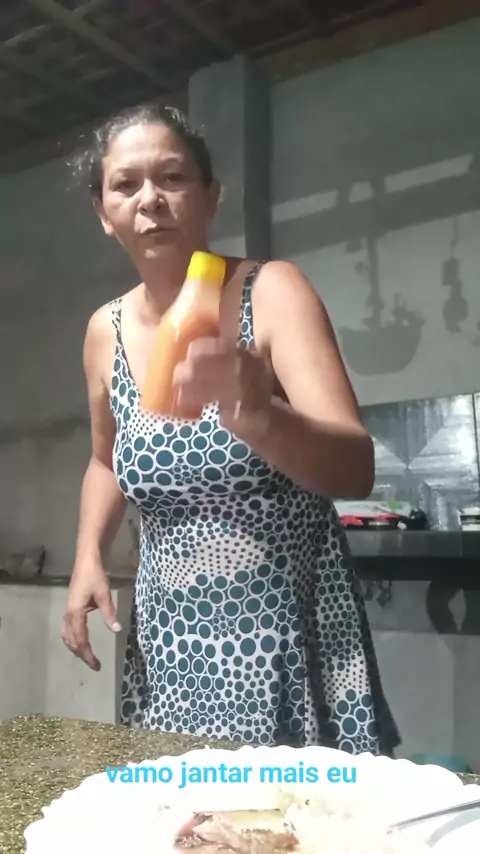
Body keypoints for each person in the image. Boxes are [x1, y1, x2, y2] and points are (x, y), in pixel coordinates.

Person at [63, 104, 400, 754]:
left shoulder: (270, 292)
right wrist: (86, 559)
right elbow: (105, 462)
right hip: (169, 643)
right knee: (183, 808)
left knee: (292, 811)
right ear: (104, 212)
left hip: (285, 636)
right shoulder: (104, 330)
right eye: (125, 185)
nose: (150, 199)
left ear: (210, 196)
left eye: (172, 177)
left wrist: (260, 415)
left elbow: (356, 468)